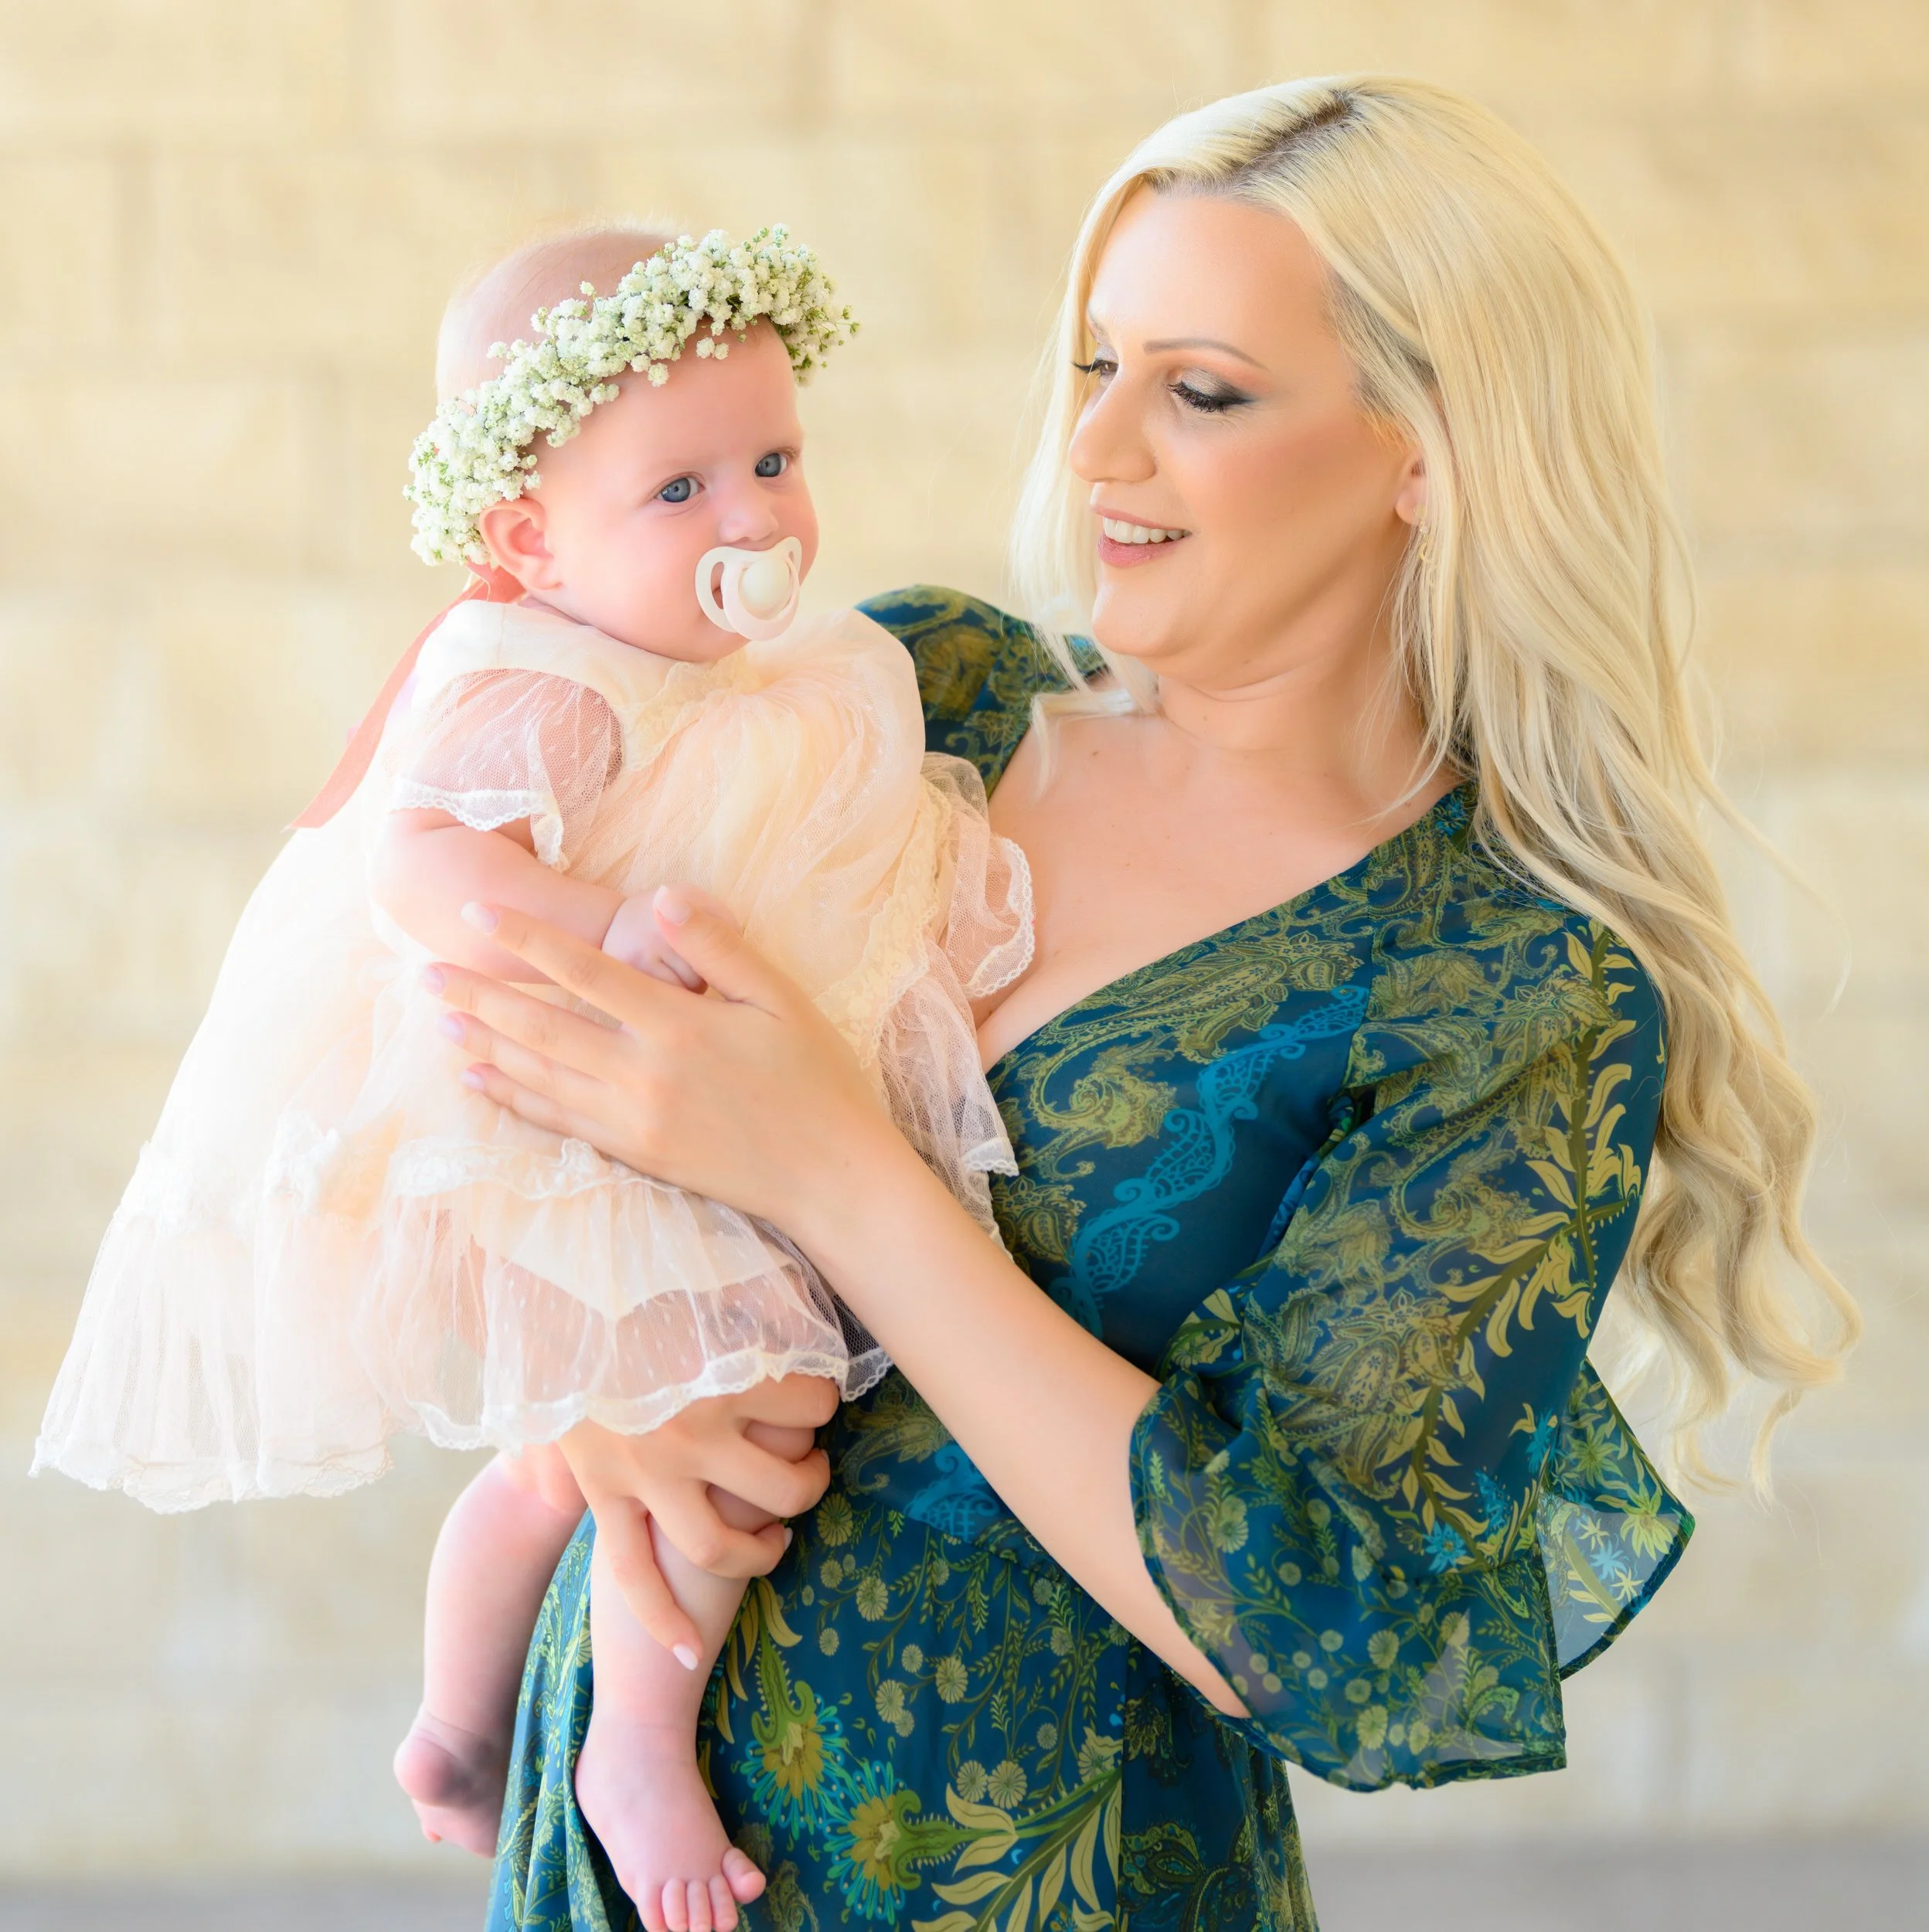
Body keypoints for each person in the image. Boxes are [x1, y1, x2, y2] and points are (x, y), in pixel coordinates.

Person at [444, 75, 1856, 1932]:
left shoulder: (1506, 987)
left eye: (1198, 390)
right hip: (621, 1837)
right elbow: (471, 989)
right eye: (1097, 365)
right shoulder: (911, 697)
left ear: (1424, 451)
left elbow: (1315, 1630)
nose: (1099, 447)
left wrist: (835, 1167)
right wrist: (583, 1406)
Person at [31, 223, 1033, 1930]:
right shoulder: (540, 683)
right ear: (527, 539)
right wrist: (597, 921)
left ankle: (451, 1714)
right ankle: (632, 1734)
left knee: (563, 1462)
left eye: (774, 460)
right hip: (562, 1118)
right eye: (680, 490)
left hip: (680, 1113)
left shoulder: (785, 678)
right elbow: (414, 864)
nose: (753, 520)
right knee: (751, 1421)